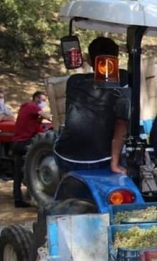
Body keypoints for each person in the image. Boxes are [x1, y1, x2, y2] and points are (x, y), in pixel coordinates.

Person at [53, 37, 130, 175]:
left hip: (66, 157)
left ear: (88, 60)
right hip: (102, 159)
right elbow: (121, 124)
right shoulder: (123, 80)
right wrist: (115, 164)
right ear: (116, 61)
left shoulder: (73, 81)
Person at [12, 91, 52, 207]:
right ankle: (38, 193)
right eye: (43, 100)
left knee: (18, 174)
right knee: (37, 161)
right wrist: (58, 118)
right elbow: (47, 116)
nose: (44, 103)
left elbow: (35, 126)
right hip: (24, 142)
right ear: (36, 99)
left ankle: (18, 200)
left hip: (16, 143)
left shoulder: (26, 109)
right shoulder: (31, 107)